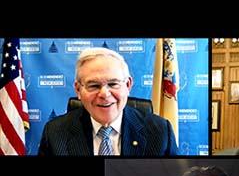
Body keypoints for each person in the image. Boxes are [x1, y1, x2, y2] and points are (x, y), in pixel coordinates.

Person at [38, 47, 177, 156]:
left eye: (113, 84)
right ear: (78, 90)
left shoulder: (160, 132)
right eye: (93, 86)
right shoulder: (55, 133)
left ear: (128, 85)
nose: (104, 94)